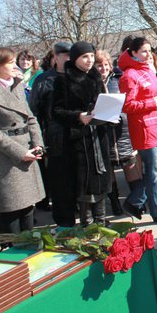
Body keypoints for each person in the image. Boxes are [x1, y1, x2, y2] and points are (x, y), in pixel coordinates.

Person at [0, 48, 45, 234]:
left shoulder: (17, 85)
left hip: (29, 151)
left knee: (29, 212)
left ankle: (31, 254)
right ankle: (16, 257)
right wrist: (21, 153)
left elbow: (31, 118)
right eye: (10, 63)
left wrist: (38, 144)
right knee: (11, 215)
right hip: (7, 159)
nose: (15, 66)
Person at [52, 42, 112, 226]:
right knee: (84, 184)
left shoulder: (96, 77)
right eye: (85, 57)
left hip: (98, 135)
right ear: (75, 58)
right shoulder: (63, 80)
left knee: (101, 180)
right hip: (79, 140)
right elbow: (56, 110)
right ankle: (87, 225)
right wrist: (78, 116)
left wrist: (109, 113)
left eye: (92, 56)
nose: (90, 60)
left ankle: (101, 223)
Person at [118, 37, 157, 223]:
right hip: (144, 128)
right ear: (133, 53)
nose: (148, 55)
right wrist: (152, 103)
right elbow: (127, 105)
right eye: (143, 51)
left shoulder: (148, 70)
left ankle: (137, 201)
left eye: (149, 51)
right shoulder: (129, 75)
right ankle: (156, 211)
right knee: (153, 170)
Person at [29, 42, 72, 219]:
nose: (70, 58)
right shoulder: (44, 80)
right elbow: (34, 111)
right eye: (65, 55)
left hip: (75, 135)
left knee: (73, 180)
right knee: (59, 181)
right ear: (55, 57)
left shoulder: (76, 76)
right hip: (53, 137)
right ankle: (62, 219)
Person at [95, 49, 129, 216]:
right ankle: (115, 202)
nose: (103, 68)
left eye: (106, 64)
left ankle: (135, 200)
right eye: (99, 65)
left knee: (129, 163)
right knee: (108, 167)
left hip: (121, 129)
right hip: (102, 130)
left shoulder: (117, 80)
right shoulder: (92, 83)